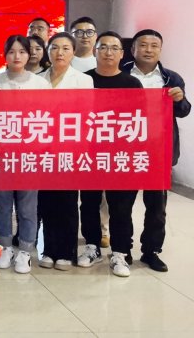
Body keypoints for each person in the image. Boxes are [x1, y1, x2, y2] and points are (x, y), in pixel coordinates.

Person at [77, 31, 143, 277]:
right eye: (103, 47)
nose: (108, 52)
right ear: (95, 51)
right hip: (89, 153)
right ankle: (92, 246)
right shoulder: (84, 80)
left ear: (122, 54)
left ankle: (120, 252)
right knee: (89, 202)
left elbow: (141, 120)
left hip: (120, 155)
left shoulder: (132, 84)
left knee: (121, 206)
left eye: (114, 48)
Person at [124, 28, 190, 273]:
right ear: (133, 49)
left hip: (159, 151)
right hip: (126, 149)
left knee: (156, 208)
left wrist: (179, 100)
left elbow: (184, 111)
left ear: (160, 50)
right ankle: (123, 249)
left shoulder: (171, 78)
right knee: (123, 204)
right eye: (143, 45)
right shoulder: (121, 73)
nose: (148, 50)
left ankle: (151, 251)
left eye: (154, 46)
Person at [37, 32, 94, 271]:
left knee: (67, 201)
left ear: (73, 52)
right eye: (54, 48)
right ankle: (49, 249)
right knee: (46, 200)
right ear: (48, 51)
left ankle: (66, 251)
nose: (59, 53)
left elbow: (86, 115)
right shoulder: (37, 79)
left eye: (65, 48)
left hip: (69, 147)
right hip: (41, 148)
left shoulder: (83, 80)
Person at [0, 35, 49, 274]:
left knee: (27, 206)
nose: (17, 56)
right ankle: (6, 247)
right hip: (1, 154)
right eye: (11, 52)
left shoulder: (40, 84)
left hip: (29, 154)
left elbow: (48, 119)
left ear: (30, 55)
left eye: (22, 52)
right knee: (3, 204)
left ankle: (25, 250)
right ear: (5, 55)